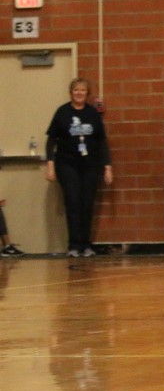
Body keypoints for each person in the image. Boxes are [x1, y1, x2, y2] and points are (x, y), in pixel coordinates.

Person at [45, 77, 113, 257]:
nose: (79, 93)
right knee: (73, 202)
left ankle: (86, 244)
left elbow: (102, 142)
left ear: (87, 93)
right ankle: (74, 245)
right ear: (71, 92)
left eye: (83, 90)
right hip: (67, 164)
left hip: (90, 165)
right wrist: (50, 165)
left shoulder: (92, 114)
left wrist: (107, 167)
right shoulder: (62, 112)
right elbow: (51, 141)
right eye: (76, 90)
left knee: (87, 204)